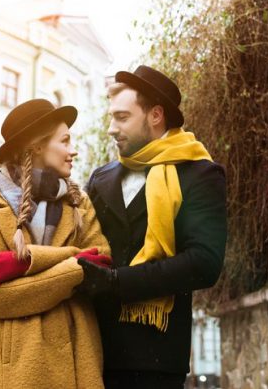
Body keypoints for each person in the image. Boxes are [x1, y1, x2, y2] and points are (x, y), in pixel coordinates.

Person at [78, 65, 228, 389]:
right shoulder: (99, 178)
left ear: (156, 115)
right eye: (111, 118)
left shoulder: (199, 175)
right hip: (92, 354)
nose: (111, 128)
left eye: (121, 117)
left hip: (155, 362)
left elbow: (204, 263)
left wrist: (117, 282)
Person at [0, 98, 111, 389]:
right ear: (37, 146)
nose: (73, 150)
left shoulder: (79, 204)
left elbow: (102, 263)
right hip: (16, 376)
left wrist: (27, 260)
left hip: (79, 368)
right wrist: (75, 262)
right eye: (65, 141)